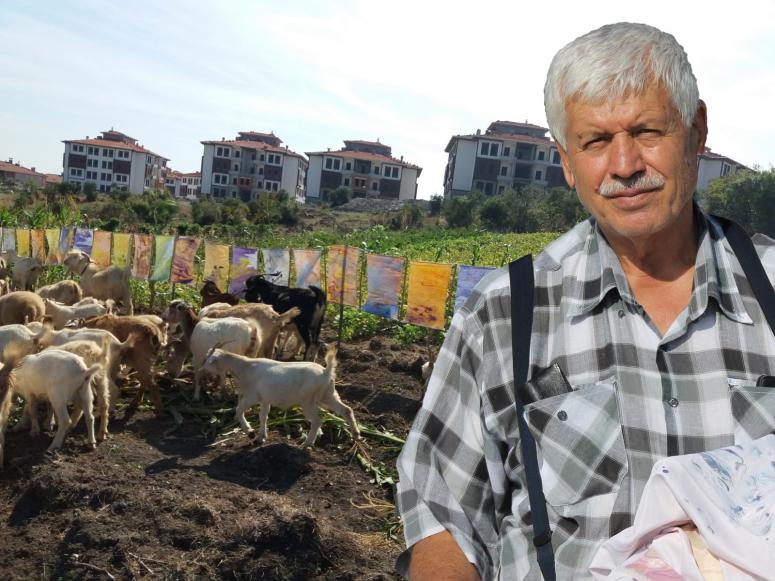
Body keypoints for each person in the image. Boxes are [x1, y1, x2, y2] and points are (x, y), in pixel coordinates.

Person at [396, 22, 775, 580]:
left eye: (647, 131)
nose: (624, 165)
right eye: (595, 141)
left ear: (696, 131)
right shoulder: (504, 315)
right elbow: (444, 513)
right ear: (568, 161)